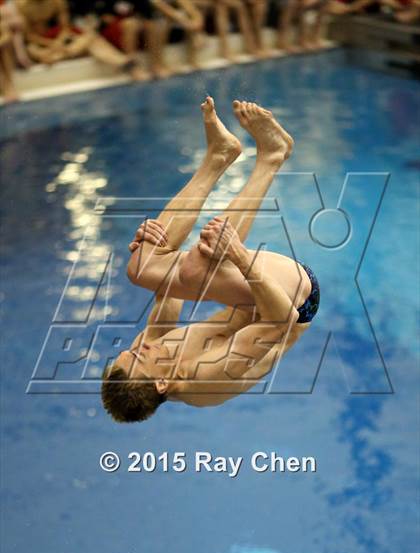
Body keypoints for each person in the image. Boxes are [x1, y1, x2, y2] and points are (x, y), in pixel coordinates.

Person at [101, 98, 320, 422]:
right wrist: (239, 256)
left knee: (141, 268)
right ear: (162, 382)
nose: (139, 344)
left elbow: (168, 293)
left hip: (253, 300)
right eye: (139, 354)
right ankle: (271, 157)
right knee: (197, 269)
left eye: (131, 351)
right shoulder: (210, 379)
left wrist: (150, 241)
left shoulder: (150, 356)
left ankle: (218, 158)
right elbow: (280, 320)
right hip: (295, 300)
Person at [16, 0, 147, 79]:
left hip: (60, 43)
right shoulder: (22, 6)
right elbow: (29, 37)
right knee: (34, 51)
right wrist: (51, 44)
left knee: (91, 37)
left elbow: (65, 28)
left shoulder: (57, 2)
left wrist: (59, 42)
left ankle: (125, 64)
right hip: (40, 45)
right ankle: (126, 63)